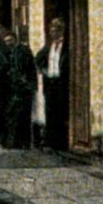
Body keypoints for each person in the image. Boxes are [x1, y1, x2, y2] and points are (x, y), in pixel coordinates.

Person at [35, 18, 69, 152]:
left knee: (61, 113)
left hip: (62, 83)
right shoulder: (49, 46)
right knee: (50, 112)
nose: (52, 33)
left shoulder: (66, 45)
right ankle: (51, 142)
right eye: (51, 30)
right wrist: (44, 71)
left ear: (61, 31)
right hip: (50, 83)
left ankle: (62, 143)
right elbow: (38, 59)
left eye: (55, 30)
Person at [3, 26, 38, 150]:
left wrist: (31, 85)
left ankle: (25, 142)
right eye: (6, 41)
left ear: (15, 39)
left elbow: (32, 69)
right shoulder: (6, 52)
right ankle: (13, 142)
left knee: (24, 115)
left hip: (23, 88)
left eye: (10, 41)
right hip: (11, 89)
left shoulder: (24, 51)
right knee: (11, 115)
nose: (9, 43)